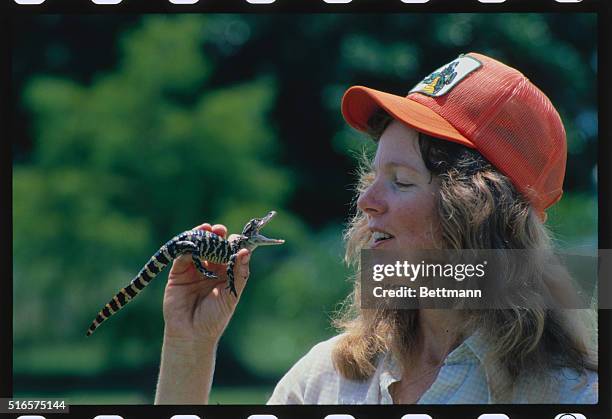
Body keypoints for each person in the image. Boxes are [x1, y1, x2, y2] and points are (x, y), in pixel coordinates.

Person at [154, 52, 598, 404]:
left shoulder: (573, 396)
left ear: (482, 213)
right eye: (373, 178)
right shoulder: (325, 380)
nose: (366, 203)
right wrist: (189, 348)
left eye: (402, 181)